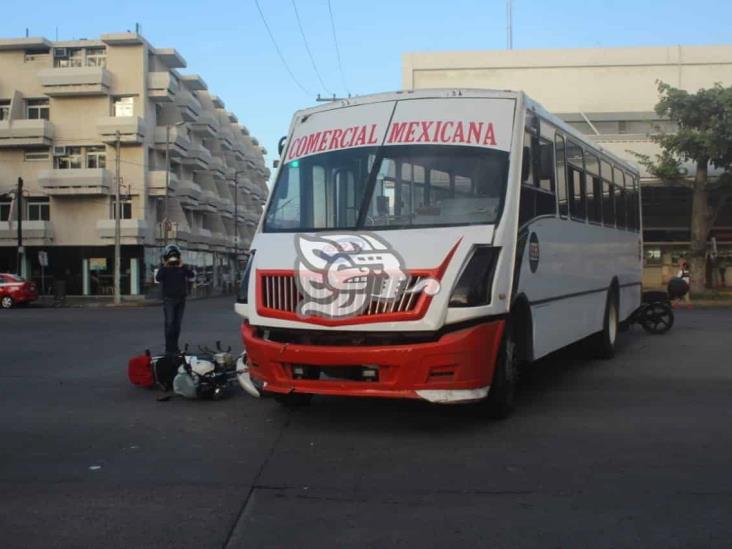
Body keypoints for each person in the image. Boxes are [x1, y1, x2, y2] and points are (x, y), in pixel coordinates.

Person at [155, 245, 195, 354]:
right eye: (171, 258)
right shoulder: (165, 269)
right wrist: (165, 265)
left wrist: (182, 266)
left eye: (175, 257)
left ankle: (175, 347)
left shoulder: (181, 268)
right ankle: (169, 348)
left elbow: (191, 275)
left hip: (181, 299)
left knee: (177, 324)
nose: (173, 260)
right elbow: (158, 278)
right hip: (169, 299)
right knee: (169, 323)